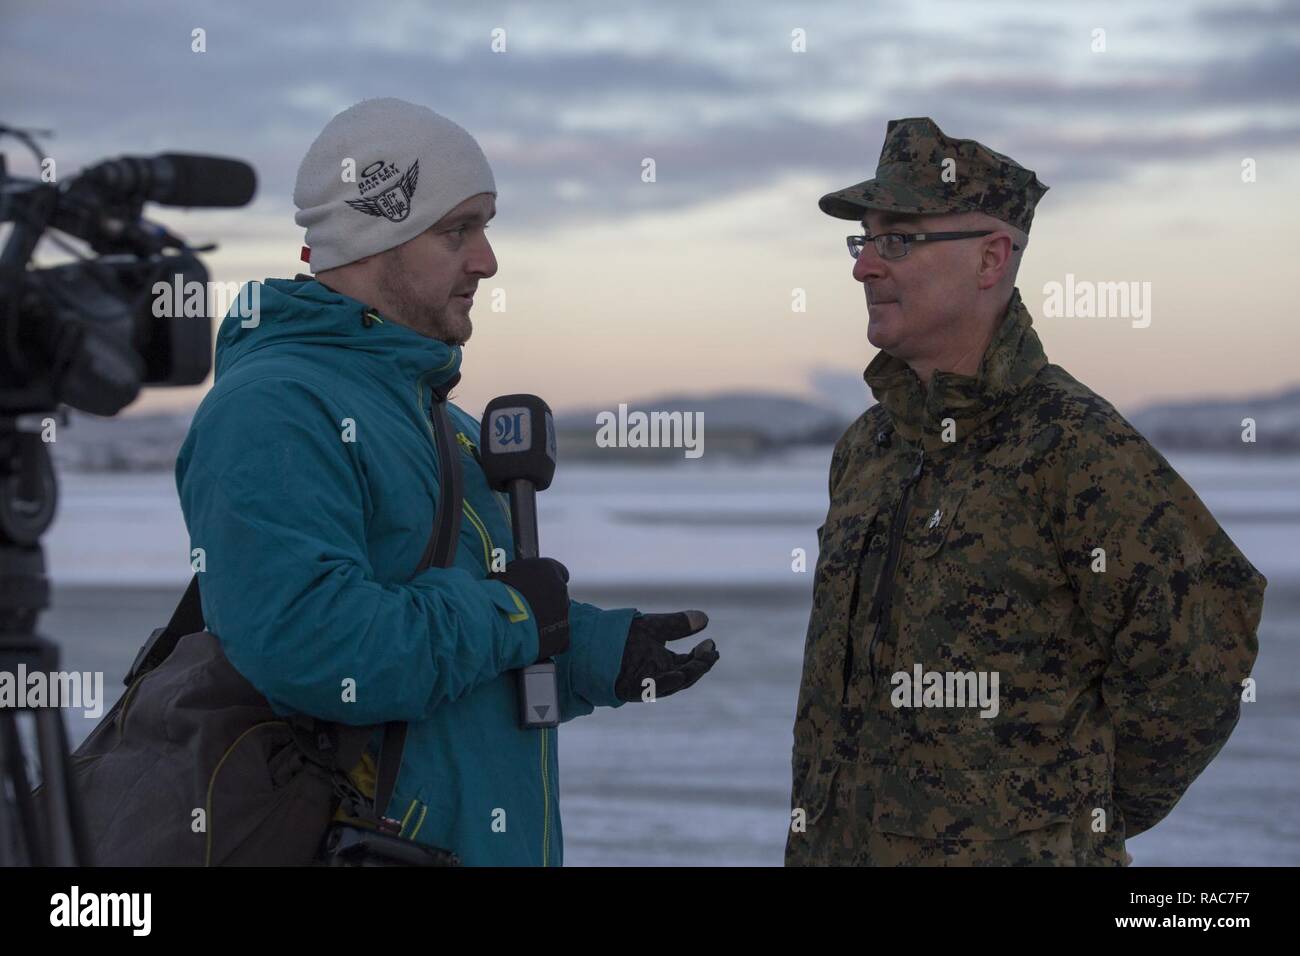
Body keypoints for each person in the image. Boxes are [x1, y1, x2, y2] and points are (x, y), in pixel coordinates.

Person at [176, 97, 719, 866]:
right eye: (457, 229)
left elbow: (471, 644)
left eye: (485, 226)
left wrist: (594, 650)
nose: (487, 260)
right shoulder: (276, 409)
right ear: (375, 234)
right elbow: (315, 648)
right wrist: (514, 611)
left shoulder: (435, 415)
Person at [784, 116, 1265, 866]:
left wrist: (1065, 827)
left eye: (898, 240)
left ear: (991, 259)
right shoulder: (868, 449)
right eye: (864, 241)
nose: (864, 268)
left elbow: (1200, 659)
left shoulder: (1073, 446)